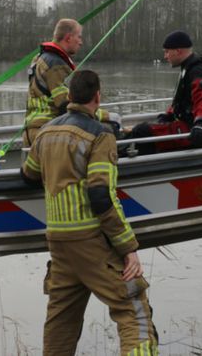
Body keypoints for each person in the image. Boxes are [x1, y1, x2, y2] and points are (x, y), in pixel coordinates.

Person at [21, 69, 158, 356]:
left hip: (58, 243)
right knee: (133, 309)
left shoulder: (45, 132)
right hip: (90, 240)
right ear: (98, 96)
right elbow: (100, 194)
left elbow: (29, 173)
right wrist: (128, 247)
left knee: (61, 321)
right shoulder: (100, 135)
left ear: (69, 96)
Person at [126, 30, 202, 155]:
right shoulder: (188, 68)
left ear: (178, 51)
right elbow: (182, 101)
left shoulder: (198, 71)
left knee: (142, 131)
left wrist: (200, 123)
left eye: (167, 52)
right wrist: (168, 115)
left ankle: (137, 163)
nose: (165, 56)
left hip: (199, 133)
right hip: (188, 124)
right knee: (144, 128)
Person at [23, 19, 83, 147]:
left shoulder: (40, 57)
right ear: (68, 38)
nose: (81, 42)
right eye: (79, 37)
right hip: (48, 132)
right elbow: (65, 105)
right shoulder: (56, 64)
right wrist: (99, 115)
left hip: (32, 129)